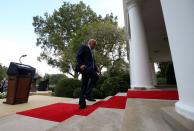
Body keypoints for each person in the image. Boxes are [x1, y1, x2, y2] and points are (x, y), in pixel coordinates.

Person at [76, 39, 99, 109]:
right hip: (85, 68)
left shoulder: (91, 52)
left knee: (84, 85)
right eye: (94, 44)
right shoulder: (84, 47)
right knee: (95, 77)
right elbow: (78, 55)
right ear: (90, 43)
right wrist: (81, 64)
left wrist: (96, 68)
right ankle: (87, 94)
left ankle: (82, 103)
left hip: (90, 69)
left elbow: (92, 62)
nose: (95, 46)